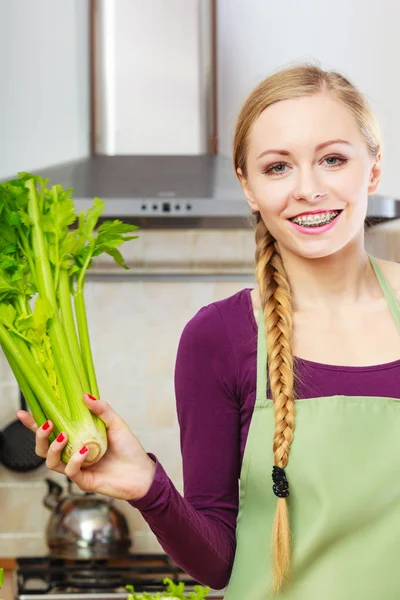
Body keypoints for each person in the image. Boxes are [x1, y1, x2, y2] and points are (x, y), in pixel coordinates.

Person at [18, 63, 400, 599]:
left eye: (332, 159)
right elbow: (217, 563)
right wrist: (146, 488)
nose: (308, 190)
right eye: (277, 168)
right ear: (247, 186)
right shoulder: (218, 338)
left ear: (374, 168)